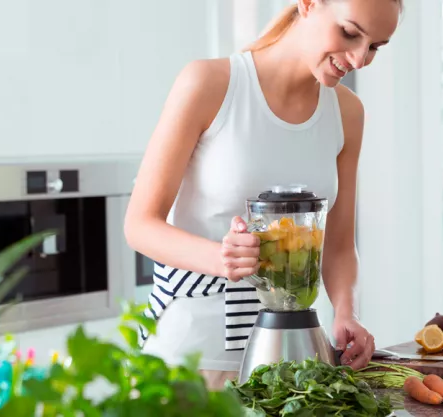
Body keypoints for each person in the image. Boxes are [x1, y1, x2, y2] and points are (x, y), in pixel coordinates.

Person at [124, 0, 402, 390]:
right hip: (189, 360)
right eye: (350, 33)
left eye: (375, 46)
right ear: (307, 4)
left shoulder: (347, 113)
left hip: (289, 364)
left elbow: (338, 246)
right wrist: (222, 258)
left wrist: (346, 312)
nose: (359, 58)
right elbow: (139, 225)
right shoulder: (209, 83)